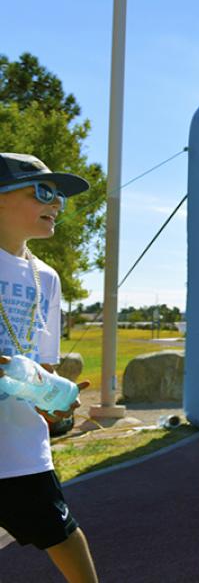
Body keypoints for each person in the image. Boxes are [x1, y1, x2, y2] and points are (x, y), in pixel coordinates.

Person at [0, 152, 98, 582]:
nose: (56, 203)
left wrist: (54, 400)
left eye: (59, 195)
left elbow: (44, 363)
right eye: (43, 191)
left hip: (20, 449)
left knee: (63, 535)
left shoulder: (47, 278)